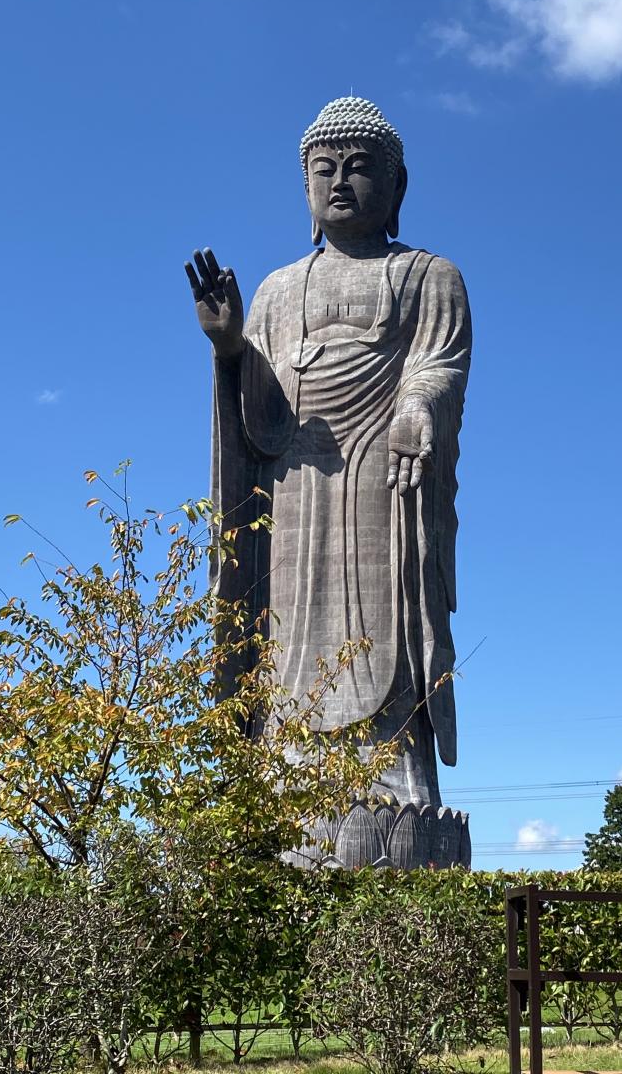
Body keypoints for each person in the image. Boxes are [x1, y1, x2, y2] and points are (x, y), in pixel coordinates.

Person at [185, 97, 472, 810]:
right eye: (324, 169)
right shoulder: (278, 289)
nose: (340, 182)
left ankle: (391, 771)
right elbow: (263, 416)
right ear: (306, 186)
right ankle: (281, 767)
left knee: (384, 615)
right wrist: (230, 346)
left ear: (396, 185)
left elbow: (439, 362)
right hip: (294, 481)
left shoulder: (429, 276)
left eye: (359, 167)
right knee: (283, 620)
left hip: (382, 474)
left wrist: (415, 406)